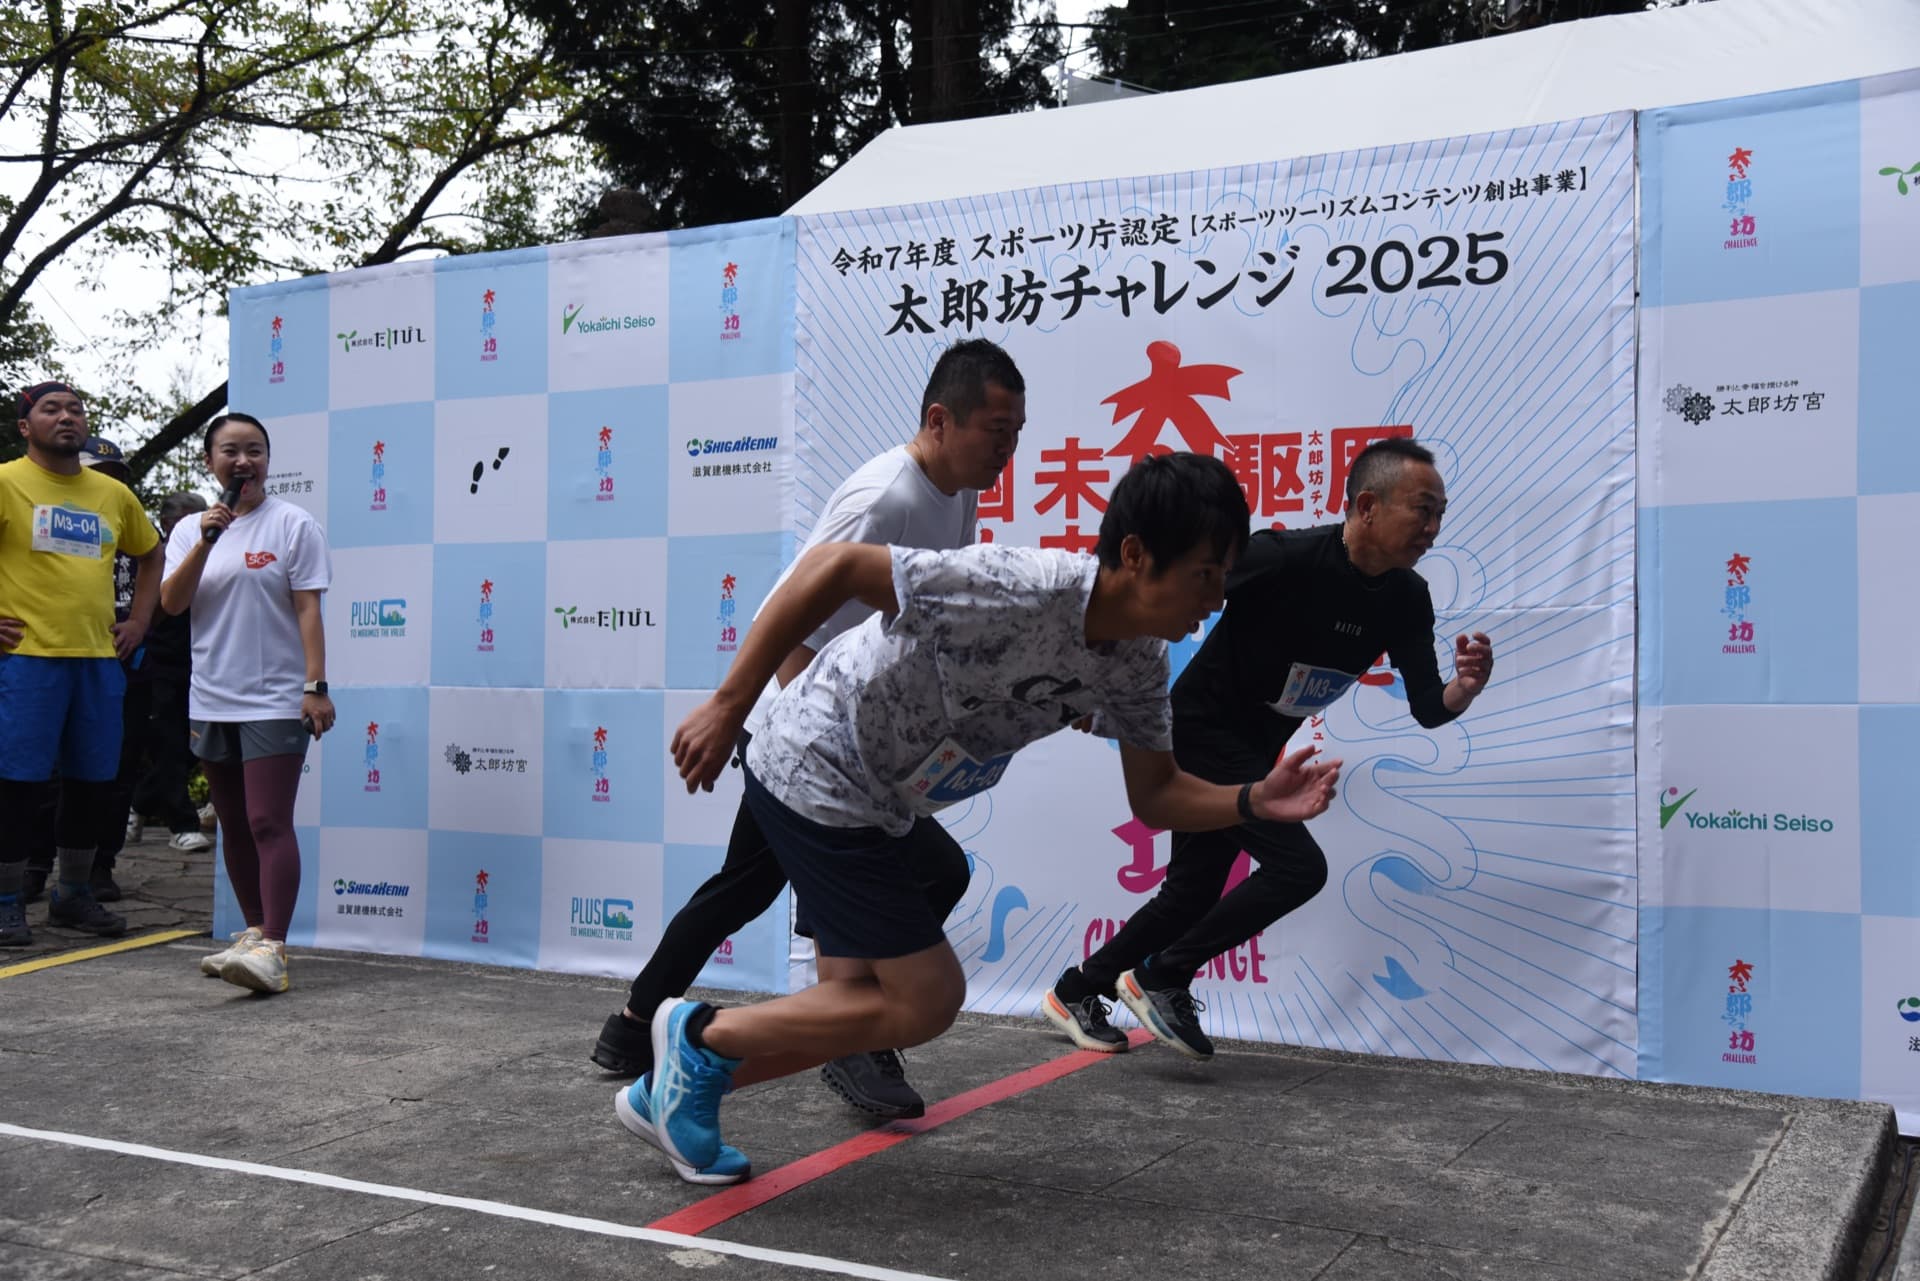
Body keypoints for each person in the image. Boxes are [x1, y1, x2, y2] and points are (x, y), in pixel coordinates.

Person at [622, 452, 1344, 1185]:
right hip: (821, 758)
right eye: (1205, 572)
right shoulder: (1021, 587)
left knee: (856, 1011)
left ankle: (672, 1088)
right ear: (1135, 554)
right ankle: (696, 1036)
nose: (1218, 597)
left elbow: (1156, 796)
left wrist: (1253, 798)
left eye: (1225, 574)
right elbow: (831, 569)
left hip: (883, 800)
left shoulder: (1138, 666)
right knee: (927, 996)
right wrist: (728, 704)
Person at [596, 338, 1026, 1129]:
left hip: (855, 743)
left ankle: (634, 1024)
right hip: (803, 740)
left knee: (771, 882)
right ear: (940, 419)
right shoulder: (885, 501)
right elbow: (789, 621)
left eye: (1016, 433)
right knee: (875, 872)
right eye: (996, 431)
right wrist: (798, 737)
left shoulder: (956, 489)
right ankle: (849, 1035)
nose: (1008, 449)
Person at [1044, 437, 1496, 1060]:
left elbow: (1427, 708)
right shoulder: (1285, 558)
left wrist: (1463, 690)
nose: (1434, 527)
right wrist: (1100, 682)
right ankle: (1163, 973)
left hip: (1258, 748)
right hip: (1200, 728)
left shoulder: (1406, 598)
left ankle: (1078, 989)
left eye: (1440, 513)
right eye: (1422, 510)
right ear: (1367, 505)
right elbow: (1173, 590)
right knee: (1298, 868)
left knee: (1191, 892)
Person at [160, 412, 334, 993]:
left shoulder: (292, 524)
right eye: (230, 451)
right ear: (209, 462)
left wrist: (315, 686)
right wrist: (207, 541)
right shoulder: (191, 530)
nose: (244, 462)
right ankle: (254, 933)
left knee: (266, 820)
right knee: (232, 822)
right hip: (211, 698)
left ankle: (275, 947)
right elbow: (173, 603)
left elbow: (309, 609)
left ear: (267, 460)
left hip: (276, 698)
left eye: (255, 450)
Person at [0, 382, 160, 946]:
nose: (66, 417)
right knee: (16, 783)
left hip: (97, 658)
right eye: (51, 409)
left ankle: (73, 895)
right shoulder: (5, 482)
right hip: (25, 660)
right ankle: (6, 900)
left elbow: (151, 553)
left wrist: (139, 621)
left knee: (94, 783)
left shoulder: (111, 495)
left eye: (75, 409)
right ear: (25, 426)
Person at [73, 436, 157, 902]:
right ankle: (35, 867)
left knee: (117, 769)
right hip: (60, 655)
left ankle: (100, 865)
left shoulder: (134, 524)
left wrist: (140, 626)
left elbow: (162, 576)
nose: (108, 482)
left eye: (117, 475)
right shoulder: (48, 513)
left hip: (126, 663)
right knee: (48, 770)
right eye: (98, 472)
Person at [130, 492, 212, 853]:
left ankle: (138, 804)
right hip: (160, 664)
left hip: (205, 664)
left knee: (198, 746)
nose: (200, 525)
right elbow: (157, 607)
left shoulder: (218, 550)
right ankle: (182, 825)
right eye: (191, 519)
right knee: (167, 745)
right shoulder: (153, 558)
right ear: (168, 524)